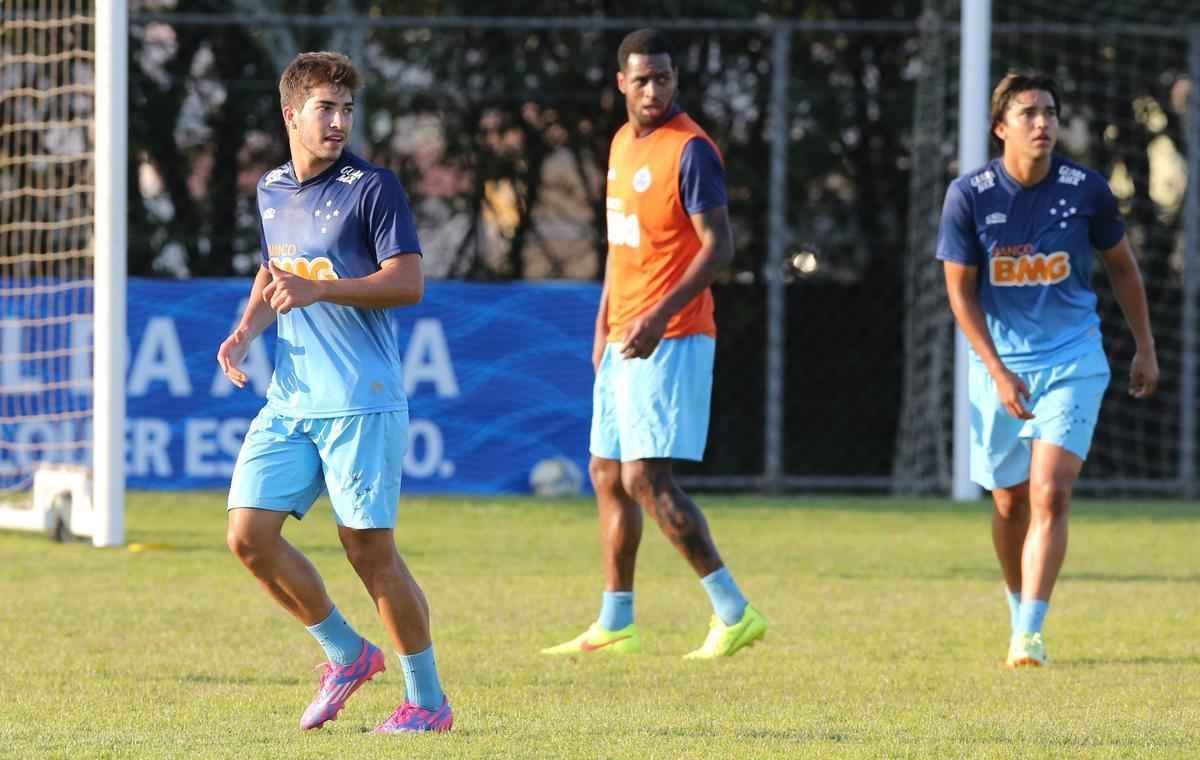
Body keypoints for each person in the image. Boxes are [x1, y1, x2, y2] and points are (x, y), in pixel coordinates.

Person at [217, 51, 452, 732]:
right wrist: (244, 332)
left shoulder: (372, 188)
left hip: (360, 398)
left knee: (368, 551)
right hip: (291, 400)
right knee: (248, 536)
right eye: (326, 108)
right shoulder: (271, 190)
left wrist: (322, 288)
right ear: (291, 113)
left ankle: (428, 702)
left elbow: (407, 283)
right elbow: (274, 275)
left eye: (347, 109)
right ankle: (346, 655)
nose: (339, 121)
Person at [542, 28, 767, 660]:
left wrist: (656, 316)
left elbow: (718, 245)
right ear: (621, 83)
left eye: (663, 78)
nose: (652, 90)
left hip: (673, 336)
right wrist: (605, 322)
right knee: (606, 473)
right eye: (641, 80)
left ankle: (733, 609)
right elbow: (622, 245)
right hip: (623, 334)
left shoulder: (690, 150)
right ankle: (616, 621)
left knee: (646, 477)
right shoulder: (619, 144)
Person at [937, 72, 1159, 667]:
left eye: (1050, 112)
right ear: (1000, 127)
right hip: (1000, 369)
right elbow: (960, 294)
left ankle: (1029, 633)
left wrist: (1144, 345)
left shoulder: (1085, 190)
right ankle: (1017, 607)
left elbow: (1122, 267)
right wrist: (997, 369)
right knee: (1009, 504)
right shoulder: (969, 194)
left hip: (1074, 361)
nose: (1043, 123)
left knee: (1050, 493)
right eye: (1029, 113)